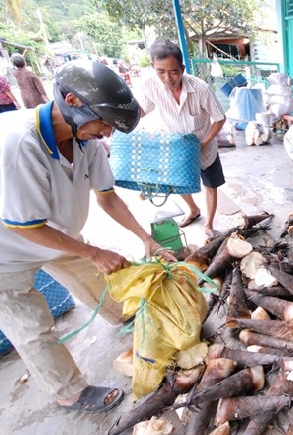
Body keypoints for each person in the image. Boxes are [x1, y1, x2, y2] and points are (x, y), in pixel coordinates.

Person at [0, 59, 175, 413]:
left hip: (58, 235)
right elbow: (28, 227)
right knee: (32, 325)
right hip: (9, 252)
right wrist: (93, 252)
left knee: (97, 276)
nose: (107, 134)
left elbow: (107, 196)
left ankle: (124, 316)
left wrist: (146, 238)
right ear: (73, 102)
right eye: (105, 124)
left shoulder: (87, 139)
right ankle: (69, 392)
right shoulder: (19, 144)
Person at [139, 40, 227, 238]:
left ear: (182, 68)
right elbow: (142, 111)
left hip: (205, 146)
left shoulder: (201, 89)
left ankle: (210, 224)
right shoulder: (150, 86)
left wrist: (204, 143)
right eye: (161, 71)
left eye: (174, 71)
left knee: (210, 185)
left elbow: (220, 119)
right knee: (177, 182)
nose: (168, 78)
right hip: (177, 146)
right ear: (153, 66)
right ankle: (193, 210)